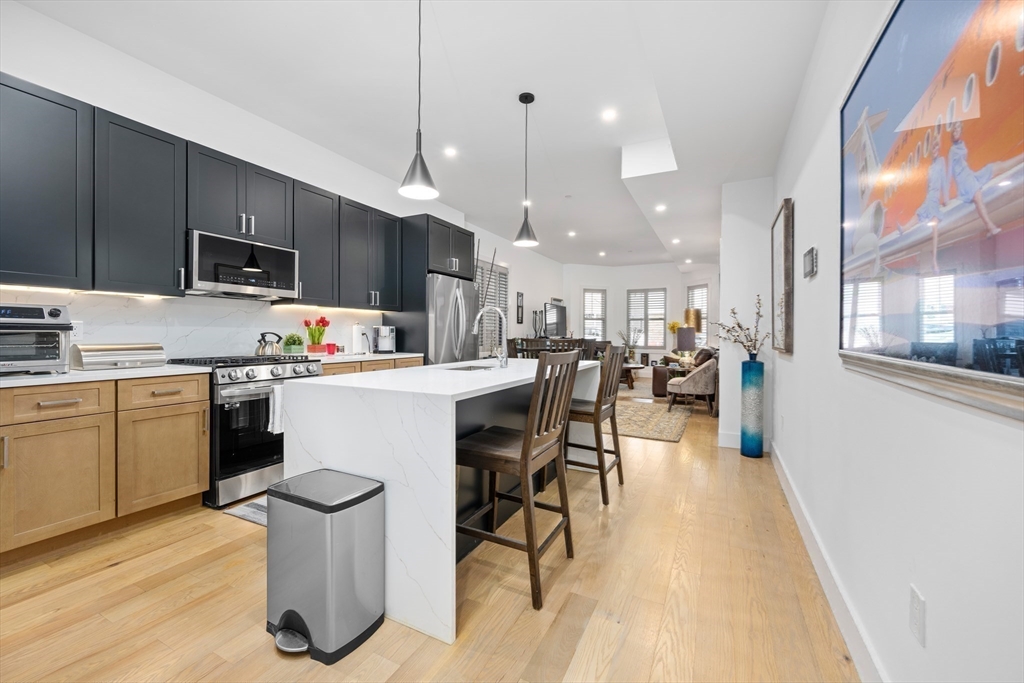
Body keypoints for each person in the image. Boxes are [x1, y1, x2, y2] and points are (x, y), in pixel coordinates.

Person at [948, 119, 1023, 238]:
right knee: (978, 197)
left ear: (961, 131)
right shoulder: (952, 150)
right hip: (964, 180)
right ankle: (990, 227)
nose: (956, 130)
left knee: (996, 166)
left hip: (970, 175)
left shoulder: (961, 144)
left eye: (958, 128)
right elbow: (949, 171)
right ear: (952, 132)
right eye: (955, 128)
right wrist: (947, 197)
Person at [898, 136, 948, 272]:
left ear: (939, 148)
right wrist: (928, 198)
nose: (935, 149)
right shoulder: (930, 168)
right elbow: (927, 186)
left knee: (934, 229)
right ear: (931, 150)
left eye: (937, 147)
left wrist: (946, 199)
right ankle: (903, 228)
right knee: (919, 215)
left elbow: (944, 180)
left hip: (935, 199)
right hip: (930, 198)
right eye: (933, 147)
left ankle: (934, 261)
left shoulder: (941, 162)